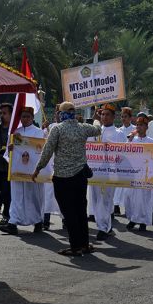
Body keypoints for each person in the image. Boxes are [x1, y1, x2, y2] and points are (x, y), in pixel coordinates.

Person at [33, 102, 101, 256]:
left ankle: (75, 246)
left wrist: (38, 168)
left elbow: (47, 151)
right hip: (80, 177)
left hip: (63, 178)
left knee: (69, 213)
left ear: (62, 113)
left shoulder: (57, 129)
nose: (57, 114)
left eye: (58, 112)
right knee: (80, 211)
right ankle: (84, 244)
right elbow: (97, 129)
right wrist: (96, 118)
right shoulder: (83, 128)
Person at [1, 107, 45, 235]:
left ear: (32, 118)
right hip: (18, 170)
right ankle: (13, 223)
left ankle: (38, 222)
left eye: (27, 117)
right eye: (23, 116)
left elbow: (41, 150)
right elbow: (8, 154)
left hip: (33, 171)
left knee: (34, 196)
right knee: (17, 196)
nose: (25, 119)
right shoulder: (15, 132)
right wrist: (10, 149)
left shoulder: (39, 133)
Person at [88, 104, 124, 241]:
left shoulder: (119, 133)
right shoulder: (95, 131)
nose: (104, 117)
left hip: (110, 172)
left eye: (107, 114)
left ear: (114, 117)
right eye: (102, 114)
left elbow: (124, 153)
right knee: (96, 200)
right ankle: (104, 226)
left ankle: (103, 228)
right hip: (95, 171)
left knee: (105, 200)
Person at [125, 113, 153, 232]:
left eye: (141, 125)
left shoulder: (151, 141)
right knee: (130, 197)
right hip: (133, 173)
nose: (138, 127)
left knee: (144, 199)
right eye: (137, 125)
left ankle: (143, 221)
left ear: (146, 127)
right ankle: (133, 218)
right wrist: (129, 141)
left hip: (145, 173)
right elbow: (125, 153)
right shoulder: (132, 140)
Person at [114, 106, 135, 215]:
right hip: (120, 160)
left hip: (132, 161)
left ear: (130, 118)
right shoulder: (118, 130)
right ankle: (116, 205)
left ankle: (129, 207)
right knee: (118, 184)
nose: (123, 119)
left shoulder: (135, 130)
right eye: (122, 117)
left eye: (125, 117)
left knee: (129, 186)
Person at [0, 103, 13, 226]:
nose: (2, 116)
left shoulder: (14, 130)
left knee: (7, 193)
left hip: (10, 167)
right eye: (1, 113)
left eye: (5, 113)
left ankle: (6, 215)